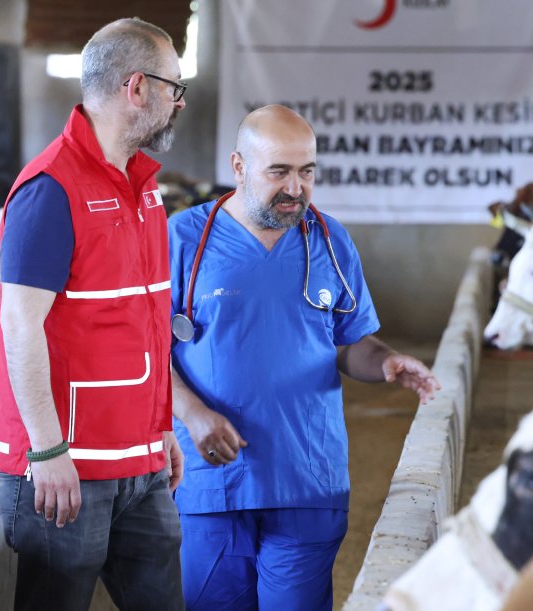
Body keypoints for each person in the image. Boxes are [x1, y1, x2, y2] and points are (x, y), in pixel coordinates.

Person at [169, 105, 441, 610]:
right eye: (279, 171)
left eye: (307, 171)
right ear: (238, 166)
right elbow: (145, 353)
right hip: (210, 482)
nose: (296, 187)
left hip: (307, 477)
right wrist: (190, 413)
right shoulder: (182, 240)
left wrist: (383, 362)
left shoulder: (331, 241)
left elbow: (349, 340)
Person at [0, 18, 188, 611]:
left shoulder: (145, 187)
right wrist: (47, 452)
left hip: (141, 461)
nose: (179, 102)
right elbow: (20, 325)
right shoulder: (51, 189)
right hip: (66, 466)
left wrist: (159, 429)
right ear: (137, 87)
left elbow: (142, 323)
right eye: (174, 87)